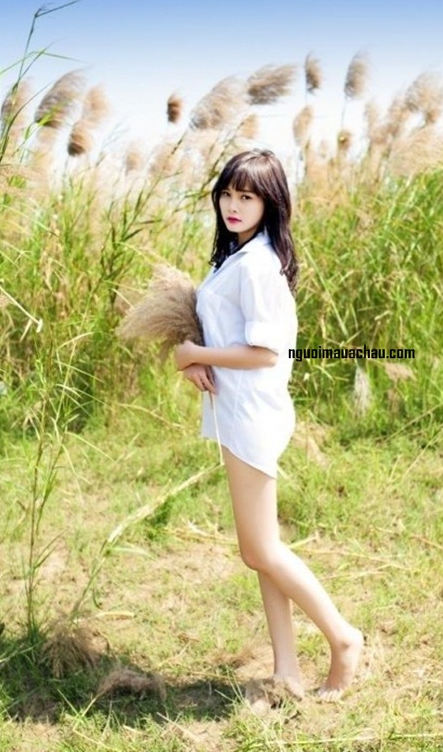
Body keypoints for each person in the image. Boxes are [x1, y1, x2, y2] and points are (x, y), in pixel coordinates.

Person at [174, 149, 363, 701]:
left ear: (269, 203)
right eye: (227, 194)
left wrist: (193, 353)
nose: (233, 205)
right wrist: (198, 357)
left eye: (247, 196)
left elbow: (264, 352)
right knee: (263, 550)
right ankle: (286, 674)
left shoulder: (257, 265)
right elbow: (228, 335)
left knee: (259, 551)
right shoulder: (238, 256)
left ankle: (343, 637)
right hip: (238, 410)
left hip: (252, 413)